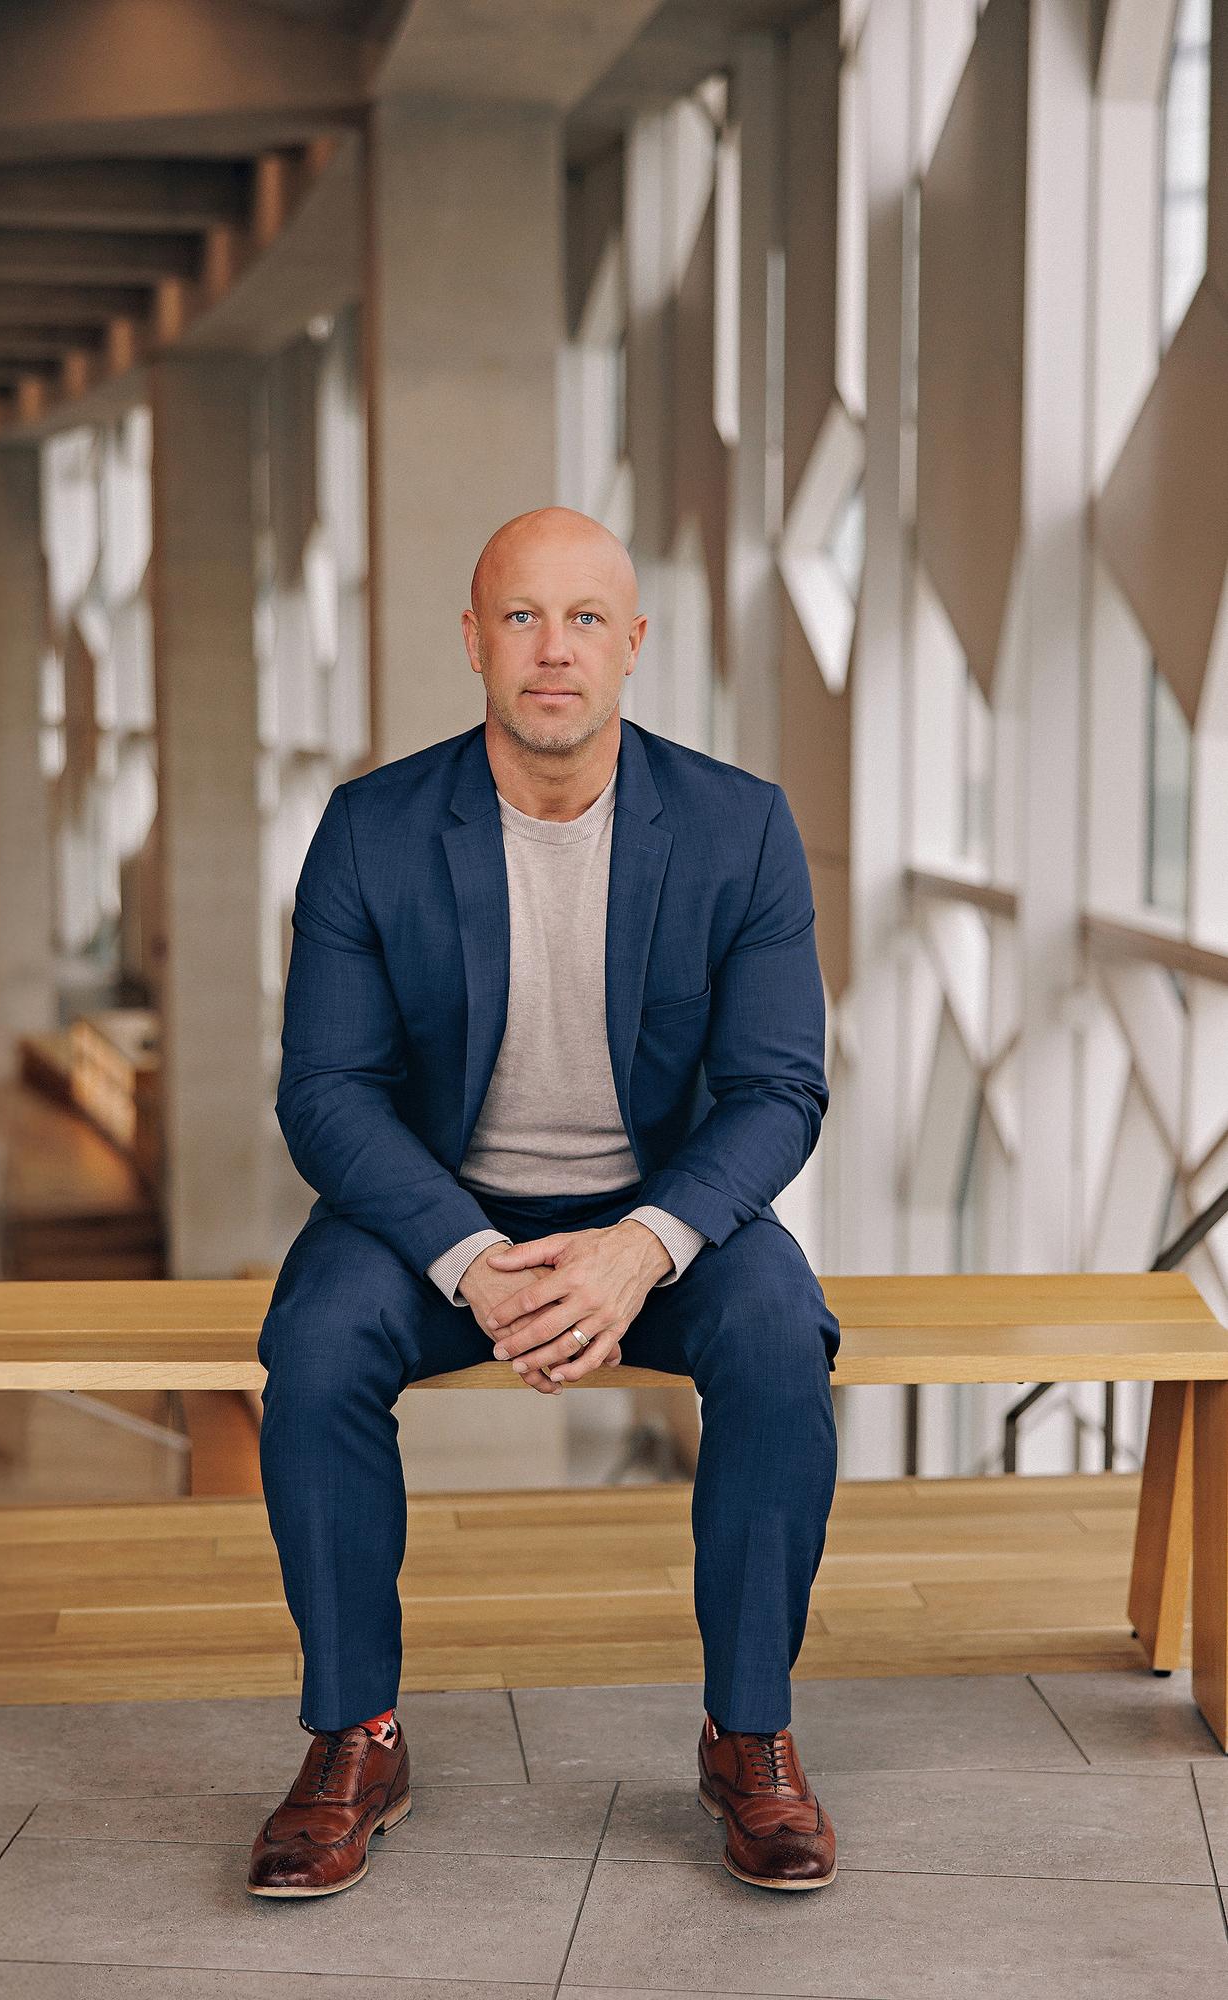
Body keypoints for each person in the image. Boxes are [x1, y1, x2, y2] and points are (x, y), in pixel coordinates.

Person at [247, 505, 842, 1899]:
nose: (552, 650)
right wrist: (469, 1257)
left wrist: (639, 1249)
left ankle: (747, 1733)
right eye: (521, 617)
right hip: (434, 1212)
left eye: (584, 619)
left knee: (776, 1341)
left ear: (634, 645)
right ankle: (355, 1735)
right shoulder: (372, 828)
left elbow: (776, 1091)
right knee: (315, 1348)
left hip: (662, 1215)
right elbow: (325, 1092)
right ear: (472, 642)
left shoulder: (738, 829)